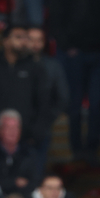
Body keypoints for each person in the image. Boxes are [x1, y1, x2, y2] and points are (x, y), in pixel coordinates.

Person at [48, 0, 100, 162]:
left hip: (97, 53)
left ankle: (92, 148)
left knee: (96, 103)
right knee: (74, 104)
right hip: (73, 54)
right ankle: (76, 149)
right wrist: (68, 46)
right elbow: (55, 20)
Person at [0, 25, 50, 151]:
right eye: (18, 37)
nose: (24, 41)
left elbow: (44, 102)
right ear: (5, 41)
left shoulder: (35, 68)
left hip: (28, 139)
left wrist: (37, 131)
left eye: (25, 38)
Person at [27, 26, 70, 175]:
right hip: (17, 126)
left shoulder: (53, 66)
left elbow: (63, 97)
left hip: (42, 125)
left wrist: (48, 117)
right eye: (31, 39)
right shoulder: (15, 65)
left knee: (38, 170)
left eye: (39, 40)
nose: (35, 44)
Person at [0, 110, 38, 197]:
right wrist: (14, 182)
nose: (13, 132)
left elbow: (34, 182)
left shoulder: (29, 153)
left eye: (16, 128)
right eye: (9, 128)